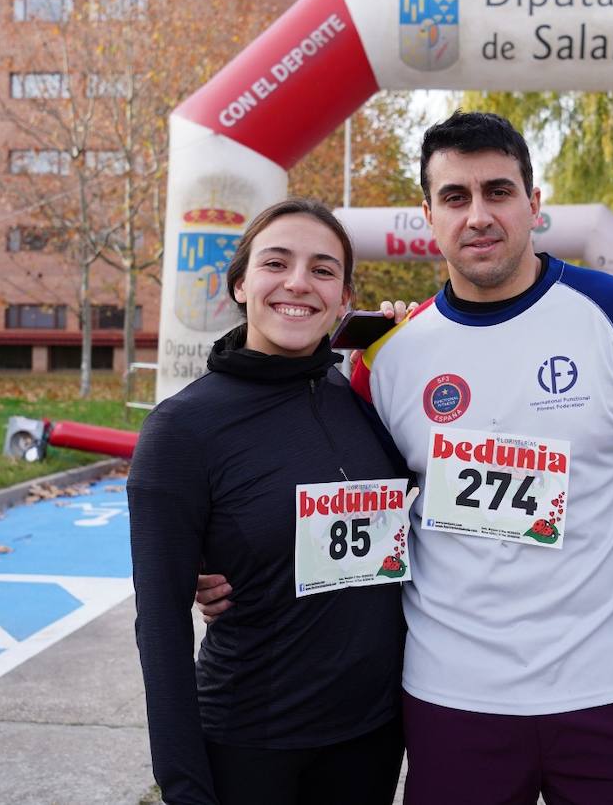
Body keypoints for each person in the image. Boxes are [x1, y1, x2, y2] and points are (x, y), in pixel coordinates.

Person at [201, 112, 613, 803]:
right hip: (451, 702)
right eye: (455, 197)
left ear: (535, 206)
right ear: (429, 215)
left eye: (499, 192)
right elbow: (328, 493)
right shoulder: (388, 358)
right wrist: (219, 561)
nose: (478, 215)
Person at [128, 199, 409, 805]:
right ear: (240, 284)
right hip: (251, 744)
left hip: (372, 738)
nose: (298, 282)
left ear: (344, 298)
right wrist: (183, 785)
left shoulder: (366, 397)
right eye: (276, 262)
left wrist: (415, 345)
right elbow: (160, 627)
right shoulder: (182, 430)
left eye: (323, 269)